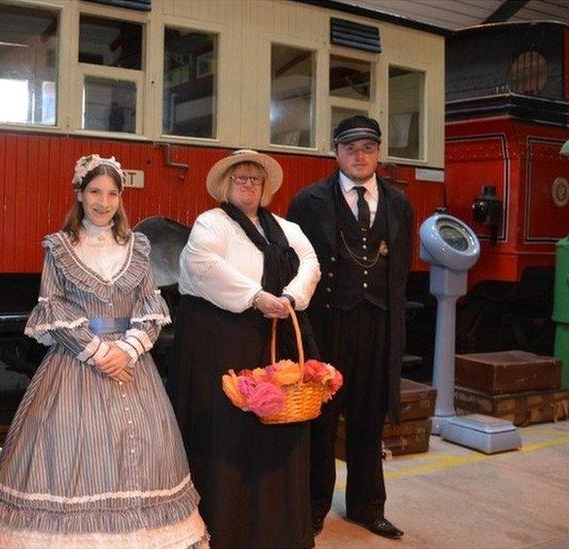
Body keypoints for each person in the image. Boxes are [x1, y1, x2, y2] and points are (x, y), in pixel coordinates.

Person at [0, 154, 208, 548]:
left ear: (121, 198)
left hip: (133, 368)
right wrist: (101, 354)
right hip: (75, 365)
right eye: (95, 192)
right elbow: (54, 308)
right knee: (68, 448)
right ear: (80, 195)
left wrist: (129, 351)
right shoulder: (60, 247)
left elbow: (150, 309)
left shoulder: (137, 247)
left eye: (112, 193)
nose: (104, 202)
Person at [169, 149, 321, 548]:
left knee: (276, 433)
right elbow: (204, 266)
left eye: (255, 179)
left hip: (273, 337)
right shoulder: (211, 223)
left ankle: (274, 529)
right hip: (223, 343)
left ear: (265, 187)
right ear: (226, 185)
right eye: (240, 179)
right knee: (228, 435)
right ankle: (227, 528)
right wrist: (257, 296)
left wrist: (289, 296)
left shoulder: (286, 228)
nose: (248, 186)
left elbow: (310, 263)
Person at [286, 115, 413, 540]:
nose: (359, 156)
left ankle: (366, 506)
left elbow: (400, 273)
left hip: (378, 324)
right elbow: (295, 266)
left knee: (368, 416)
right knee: (321, 417)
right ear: (335, 152)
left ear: (379, 152)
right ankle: (314, 504)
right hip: (328, 323)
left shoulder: (399, 205)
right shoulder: (308, 202)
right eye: (350, 148)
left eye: (368, 148)